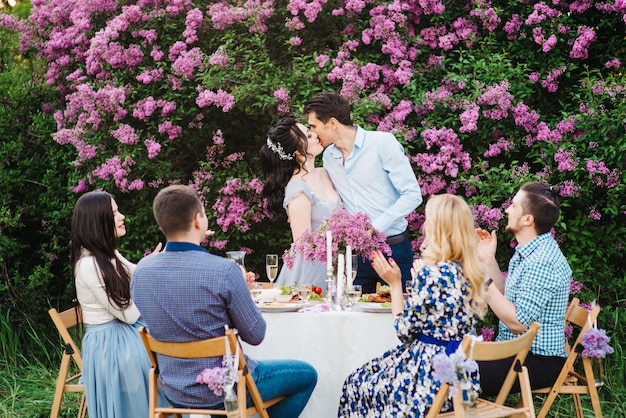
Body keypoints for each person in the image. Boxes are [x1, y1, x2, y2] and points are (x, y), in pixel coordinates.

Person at [130, 185, 317, 416]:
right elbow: (256, 335)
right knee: (308, 375)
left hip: (173, 389)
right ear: (198, 220)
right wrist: (242, 291)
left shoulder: (141, 272)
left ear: (162, 225)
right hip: (225, 389)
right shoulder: (224, 271)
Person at [338, 194, 489, 417]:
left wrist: (395, 284)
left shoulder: (432, 273)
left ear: (437, 228)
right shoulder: (472, 272)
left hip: (428, 380)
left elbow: (403, 331)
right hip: (462, 382)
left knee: (356, 384)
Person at [304, 92, 423, 293]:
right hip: (355, 256)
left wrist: (374, 227)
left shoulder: (382, 143)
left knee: (396, 317)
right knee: (353, 317)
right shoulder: (329, 158)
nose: (312, 134)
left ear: (332, 123)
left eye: (314, 126)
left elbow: (412, 195)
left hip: (394, 249)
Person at [71, 191, 162, 418]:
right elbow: (128, 313)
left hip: (124, 335)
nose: (122, 217)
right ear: (98, 222)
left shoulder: (109, 255)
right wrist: (147, 280)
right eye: (114, 213)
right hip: (111, 346)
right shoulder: (89, 265)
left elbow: (138, 271)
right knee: (165, 359)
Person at [476, 181, 571, 395]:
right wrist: (487, 261)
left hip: (537, 360)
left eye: (514, 206)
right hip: (515, 352)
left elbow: (517, 323)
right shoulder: (528, 251)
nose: (507, 209)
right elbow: (507, 299)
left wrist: (481, 278)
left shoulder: (542, 261)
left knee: (450, 374)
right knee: (446, 361)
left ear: (528, 219)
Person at [260, 116, 340, 291]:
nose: (316, 135)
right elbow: (303, 245)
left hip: (338, 264)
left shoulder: (325, 173)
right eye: (309, 136)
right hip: (313, 272)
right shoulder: (297, 189)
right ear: (297, 151)